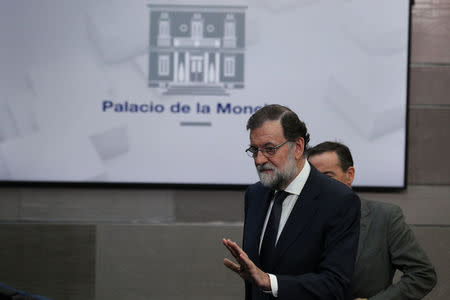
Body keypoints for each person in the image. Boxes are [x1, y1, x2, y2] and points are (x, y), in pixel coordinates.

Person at [222, 105, 361, 300]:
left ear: (297, 147)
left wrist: (271, 282)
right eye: (254, 150)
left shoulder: (338, 200)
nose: (259, 160)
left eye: (269, 149)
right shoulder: (255, 194)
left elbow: (335, 284)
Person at [308, 141, 437, 300]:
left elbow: (422, 274)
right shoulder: (301, 219)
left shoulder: (385, 217)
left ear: (350, 174)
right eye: (314, 178)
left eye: (328, 177)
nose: (319, 185)